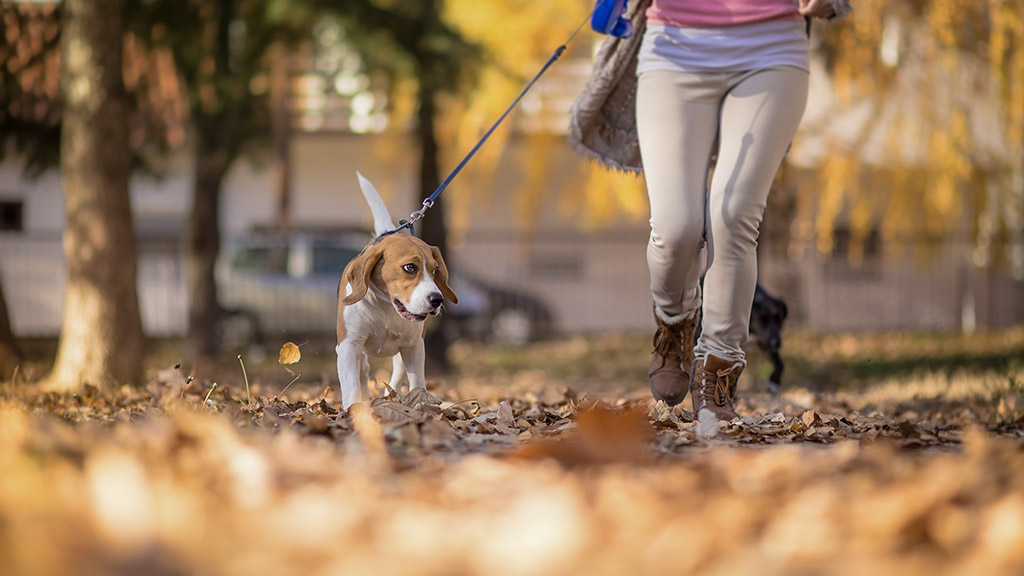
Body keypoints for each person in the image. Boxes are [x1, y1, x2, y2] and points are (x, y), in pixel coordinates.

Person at [571, 0, 851, 420]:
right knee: (675, 226)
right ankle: (674, 323)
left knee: (733, 214)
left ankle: (718, 368)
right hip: (674, 50)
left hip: (771, 50)